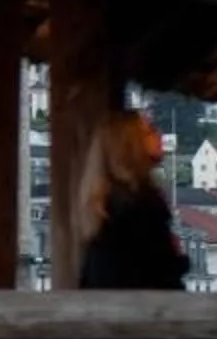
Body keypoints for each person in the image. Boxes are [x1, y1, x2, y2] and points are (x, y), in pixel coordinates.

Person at [76, 108, 190, 289]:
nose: (159, 135)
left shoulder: (109, 204)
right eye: (149, 131)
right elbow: (158, 270)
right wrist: (179, 260)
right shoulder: (138, 206)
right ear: (130, 145)